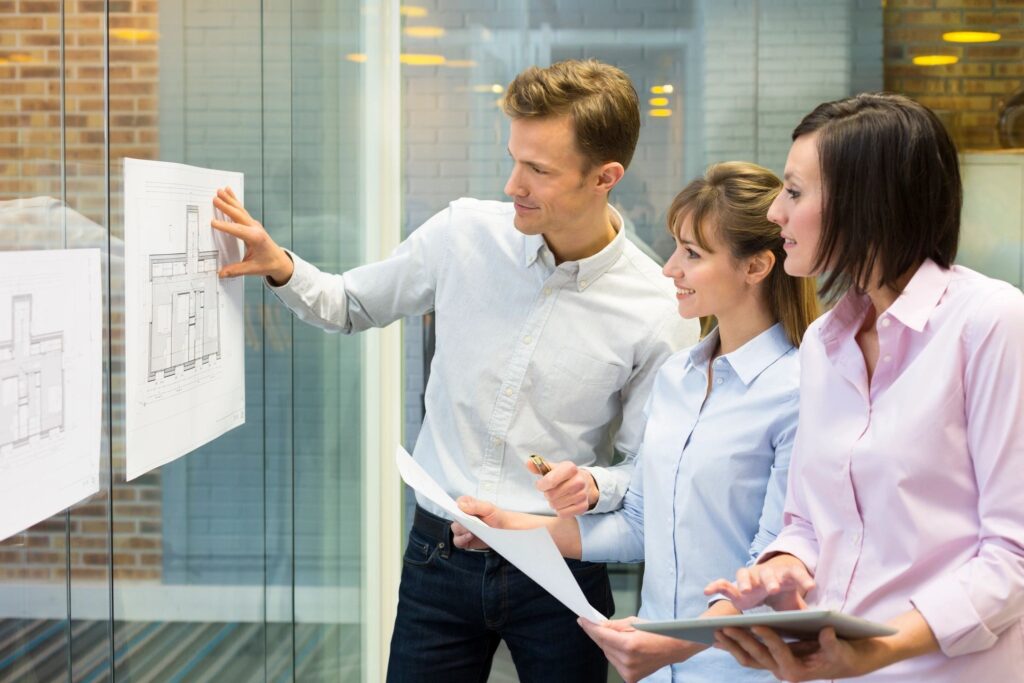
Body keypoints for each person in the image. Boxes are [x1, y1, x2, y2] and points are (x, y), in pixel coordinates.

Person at [209, 59, 698, 682]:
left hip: (557, 570)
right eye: (514, 158)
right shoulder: (463, 233)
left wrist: (595, 486)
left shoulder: (656, 307)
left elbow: (641, 475)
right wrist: (278, 262)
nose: (513, 183)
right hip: (438, 559)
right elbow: (350, 304)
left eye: (539, 170)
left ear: (605, 177)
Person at [454, 161, 820, 682]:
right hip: (653, 668)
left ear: (756, 267)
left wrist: (669, 644)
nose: (670, 268)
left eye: (692, 254)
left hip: (741, 671)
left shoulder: (800, 392)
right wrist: (507, 528)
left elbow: (772, 570)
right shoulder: (679, 376)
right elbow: (638, 527)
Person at [705, 93, 1024, 682]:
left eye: (795, 193)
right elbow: (807, 521)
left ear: (865, 205)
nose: (776, 212)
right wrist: (780, 567)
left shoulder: (991, 322)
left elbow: (1014, 555)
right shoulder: (827, 341)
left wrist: (880, 649)